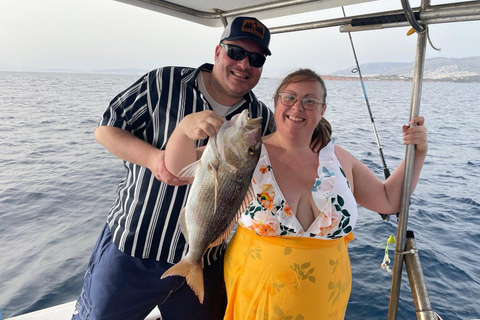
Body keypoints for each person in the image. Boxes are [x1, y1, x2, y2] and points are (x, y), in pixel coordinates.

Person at [164, 68, 428, 320]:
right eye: (289, 97)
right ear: (276, 102)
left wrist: (417, 153)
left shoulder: (338, 158)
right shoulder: (245, 153)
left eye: (310, 100)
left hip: (325, 301)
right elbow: (176, 168)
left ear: (323, 110)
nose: (297, 107)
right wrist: (184, 130)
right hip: (258, 298)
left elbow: (389, 200)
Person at [72, 16, 278, 320]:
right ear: (218, 52)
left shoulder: (260, 116)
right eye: (236, 52)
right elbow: (106, 130)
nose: (244, 64)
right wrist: (155, 159)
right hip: (135, 249)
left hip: (206, 257)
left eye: (256, 59)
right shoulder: (163, 82)